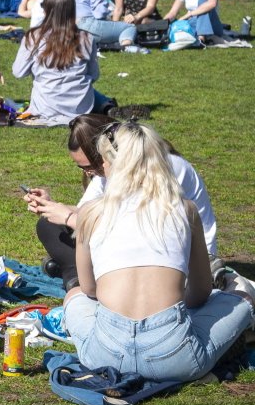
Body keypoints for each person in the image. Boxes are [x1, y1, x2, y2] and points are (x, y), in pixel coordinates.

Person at [59, 121, 252, 384]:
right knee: (240, 299)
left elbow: (89, 290)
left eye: (104, 161)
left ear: (115, 164)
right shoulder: (185, 210)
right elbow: (200, 294)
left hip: (105, 355)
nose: (101, 167)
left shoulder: (91, 212)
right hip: (176, 357)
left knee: (74, 295)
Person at [25, 113, 221, 291]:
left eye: (94, 164)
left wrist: (68, 217)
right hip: (138, 245)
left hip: (172, 254)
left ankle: (75, 276)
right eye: (82, 168)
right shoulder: (111, 169)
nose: (92, 172)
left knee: (76, 234)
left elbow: (130, 227)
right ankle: (77, 273)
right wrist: (51, 207)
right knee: (48, 225)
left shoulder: (161, 168)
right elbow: (89, 209)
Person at [12, 0, 98, 124]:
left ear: (46, 10)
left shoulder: (34, 37)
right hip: (81, 107)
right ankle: (106, 105)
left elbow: (18, 72)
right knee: (91, 91)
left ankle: (105, 104)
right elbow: (94, 75)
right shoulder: (87, 37)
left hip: (45, 107)